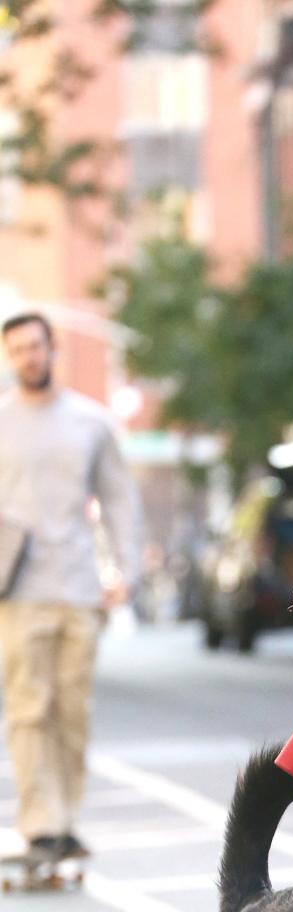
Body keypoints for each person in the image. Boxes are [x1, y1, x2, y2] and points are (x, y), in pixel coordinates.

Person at [0, 311, 140, 862]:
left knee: (72, 712)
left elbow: (120, 499)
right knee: (30, 708)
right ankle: (42, 825)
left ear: (52, 349)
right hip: (18, 591)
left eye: (36, 347)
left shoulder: (90, 421)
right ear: (10, 358)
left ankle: (65, 814)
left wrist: (124, 572)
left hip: (79, 588)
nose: (29, 358)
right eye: (18, 351)